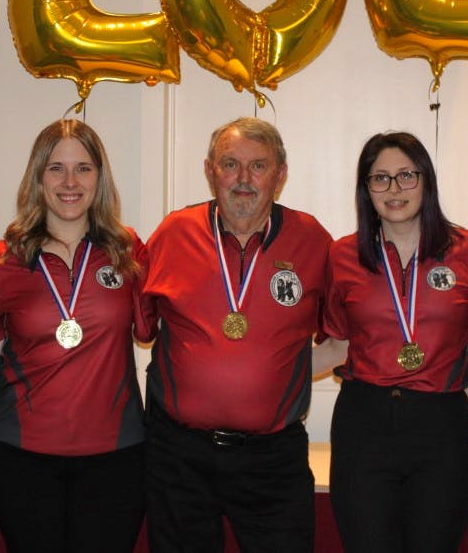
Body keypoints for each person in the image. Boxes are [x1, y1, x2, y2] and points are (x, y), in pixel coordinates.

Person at [140, 116, 332, 552]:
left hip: (272, 460)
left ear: (280, 175)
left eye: (259, 166)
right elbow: (136, 323)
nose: (243, 179)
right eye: (230, 164)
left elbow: (342, 335)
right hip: (178, 456)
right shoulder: (174, 233)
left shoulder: (313, 241)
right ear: (210, 171)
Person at [0, 119, 147, 553]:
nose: (70, 182)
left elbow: (158, 329)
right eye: (56, 168)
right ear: (38, 177)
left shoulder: (129, 251)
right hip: (20, 455)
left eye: (84, 168)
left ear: (100, 177)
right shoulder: (3, 261)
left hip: (116, 455)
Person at [320, 131, 468, 552]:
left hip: (441, 426)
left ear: (426, 181)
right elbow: (337, 345)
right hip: (364, 422)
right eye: (380, 178)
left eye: (406, 176)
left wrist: (450, 392)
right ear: (366, 189)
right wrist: (266, 380)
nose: (394, 190)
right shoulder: (343, 255)